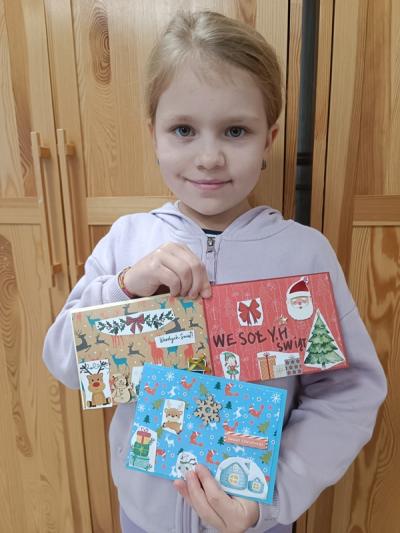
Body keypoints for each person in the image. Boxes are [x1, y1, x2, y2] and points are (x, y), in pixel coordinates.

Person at [43, 10, 387, 533]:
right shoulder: (127, 242)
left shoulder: (304, 256)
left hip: (257, 519)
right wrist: (124, 287)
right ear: (153, 133)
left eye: (235, 131)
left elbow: (348, 395)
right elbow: (65, 362)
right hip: (145, 519)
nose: (209, 157)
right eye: (183, 129)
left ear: (269, 138)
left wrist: (269, 499)